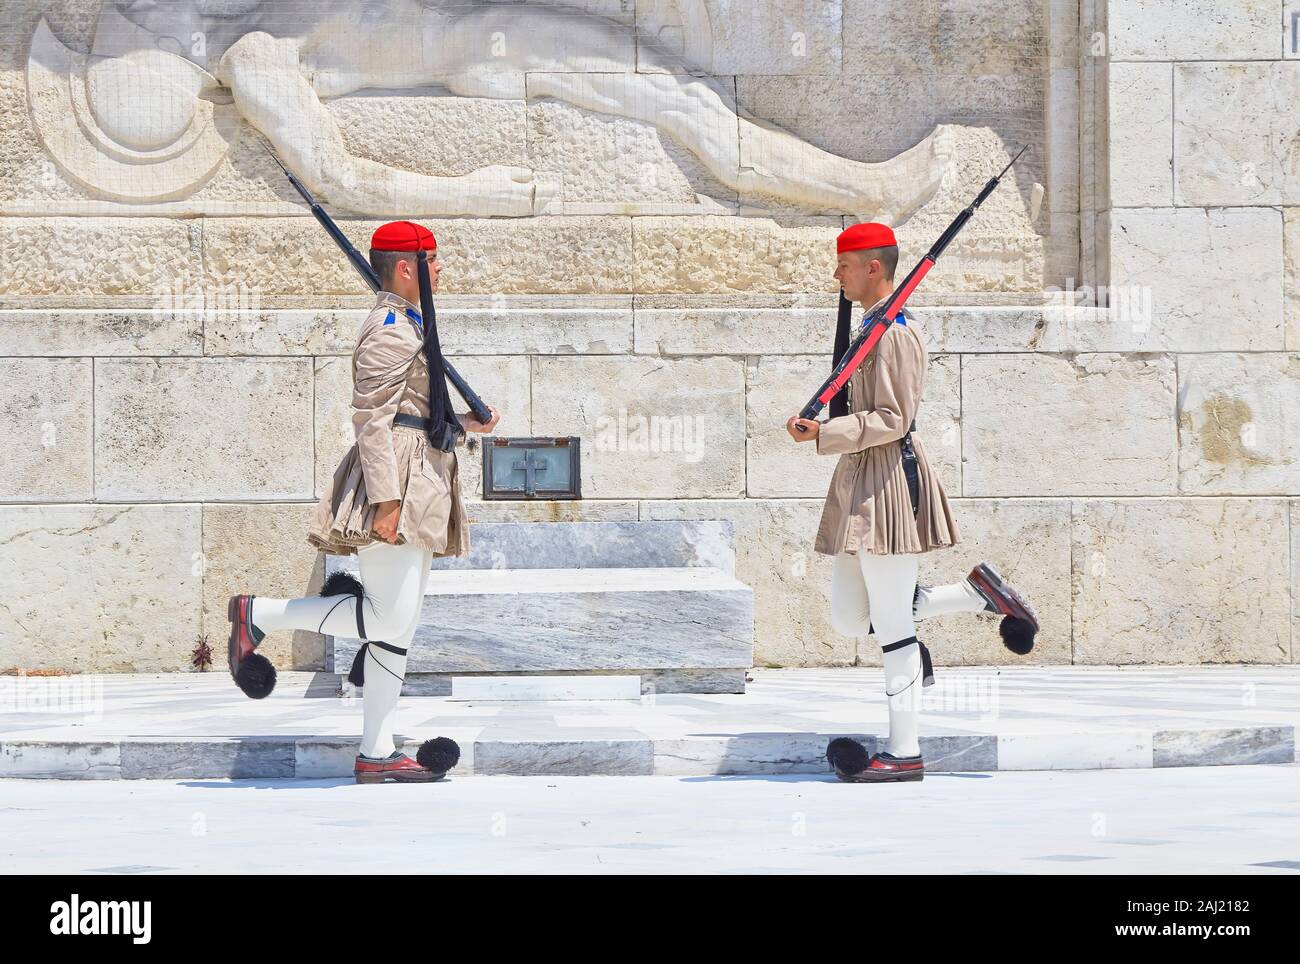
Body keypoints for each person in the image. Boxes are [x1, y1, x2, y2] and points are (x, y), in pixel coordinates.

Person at [227, 219, 499, 784]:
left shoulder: (410, 320)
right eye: (433, 259)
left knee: (398, 626)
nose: (441, 268)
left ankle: (376, 751)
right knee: (384, 615)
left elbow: (413, 408)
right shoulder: (389, 329)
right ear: (407, 269)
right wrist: (387, 499)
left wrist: (462, 422)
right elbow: (372, 422)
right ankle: (260, 615)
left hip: (424, 467)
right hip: (398, 475)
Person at [787, 222, 1036, 783]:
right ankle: (976, 595)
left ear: (873, 267)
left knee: (895, 626)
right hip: (859, 479)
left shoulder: (896, 334)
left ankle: (904, 752)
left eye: (844, 265)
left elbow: (893, 420)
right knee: (852, 617)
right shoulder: (870, 326)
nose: (837, 275)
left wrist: (824, 435)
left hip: (888, 483)